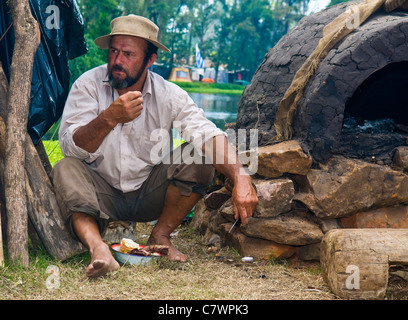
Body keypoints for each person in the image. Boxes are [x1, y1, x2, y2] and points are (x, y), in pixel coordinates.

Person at [51, 14, 258, 278]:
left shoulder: (168, 94)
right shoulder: (88, 85)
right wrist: (109, 118)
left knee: (198, 156)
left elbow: (206, 133)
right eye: (114, 51)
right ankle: (98, 248)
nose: (117, 61)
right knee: (65, 167)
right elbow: (71, 147)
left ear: (150, 60)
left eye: (128, 54)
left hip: (149, 193)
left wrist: (240, 175)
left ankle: (160, 235)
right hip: (99, 194)